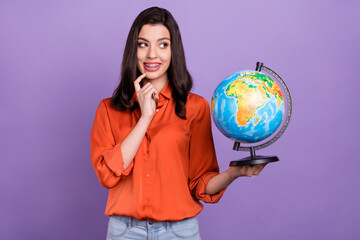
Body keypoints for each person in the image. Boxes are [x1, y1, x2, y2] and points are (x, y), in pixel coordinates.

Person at [90, 6, 266, 240]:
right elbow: (107, 176)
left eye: (162, 44)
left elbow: (200, 185)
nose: (152, 54)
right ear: (134, 50)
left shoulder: (196, 108)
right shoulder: (108, 110)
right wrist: (145, 118)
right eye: (143, 44)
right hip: (125, 232)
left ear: (174, 51)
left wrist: (233, 174)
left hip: (179, 232)